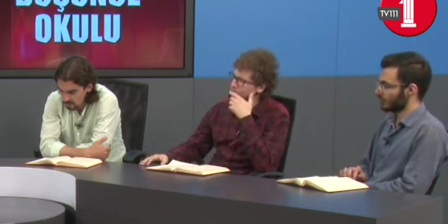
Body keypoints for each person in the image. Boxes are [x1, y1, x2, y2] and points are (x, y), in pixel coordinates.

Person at [140, 48, 290, 174]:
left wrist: (246, 119)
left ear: (260, 87)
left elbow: (266, 165)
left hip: (250, 185)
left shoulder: (277, 115)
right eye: (234, 77)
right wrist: (169, 156)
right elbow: (197, 144)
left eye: (241, 81)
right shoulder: (221, 108)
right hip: (216, 179)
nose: (233, 84)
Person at [339, 52, 448, 194]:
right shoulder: (387, 124)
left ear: (411, 90)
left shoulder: (430, 131)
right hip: (370, 201)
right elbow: (368, 168)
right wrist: (360, 175)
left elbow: (411, 188)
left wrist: (364, 188)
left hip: (391, 206)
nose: (378, 91)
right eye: (379, 84)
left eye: (386, 86)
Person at [39, 55, 127, 162]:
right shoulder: (54, 99)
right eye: (61, 90)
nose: (65, 98)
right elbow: (46, 146)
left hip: (108, 167)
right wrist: (86, 152)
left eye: (72, 92)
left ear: (89, 87)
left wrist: (61, 150)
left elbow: (100, 149)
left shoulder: (107, 100)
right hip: (69, 166)